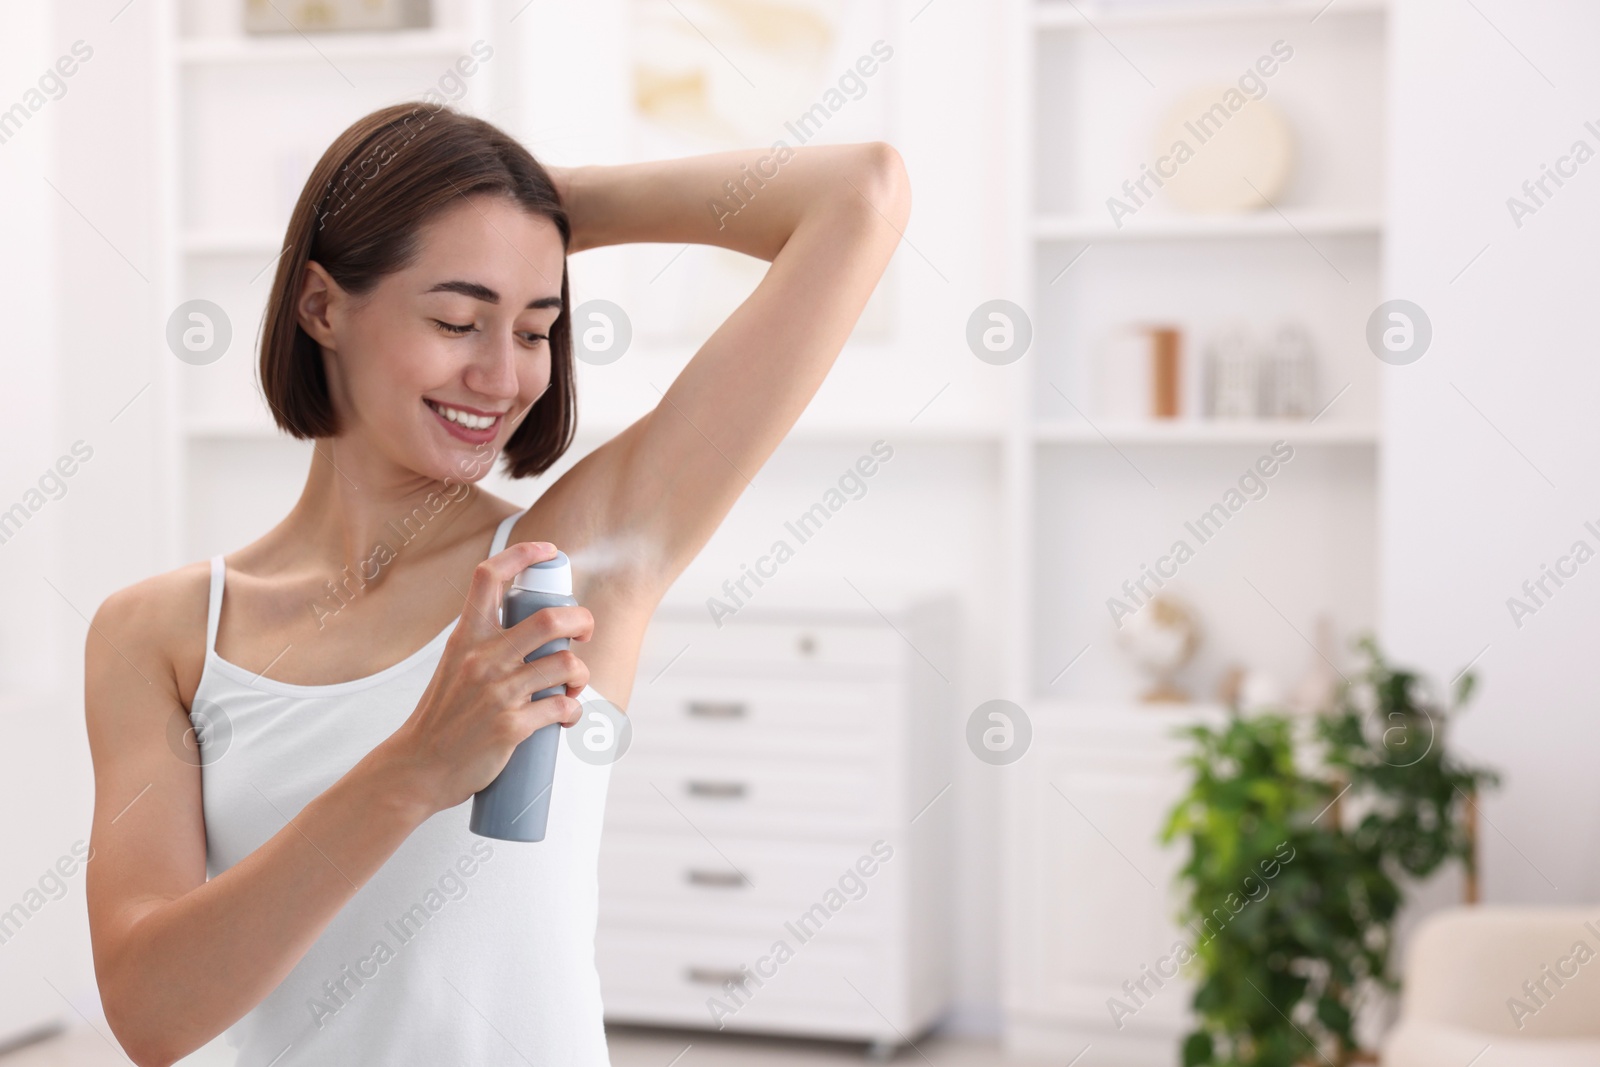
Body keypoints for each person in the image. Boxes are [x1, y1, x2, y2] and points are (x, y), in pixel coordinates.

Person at [82, 101, 908, 1067]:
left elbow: (862, 193)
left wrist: (547, 208)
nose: (503, 376)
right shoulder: (164, 633)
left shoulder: (577, 556)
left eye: (536, 328)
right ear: (320, 306)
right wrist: (416, 768)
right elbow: (150, 1011)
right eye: (458, 319)